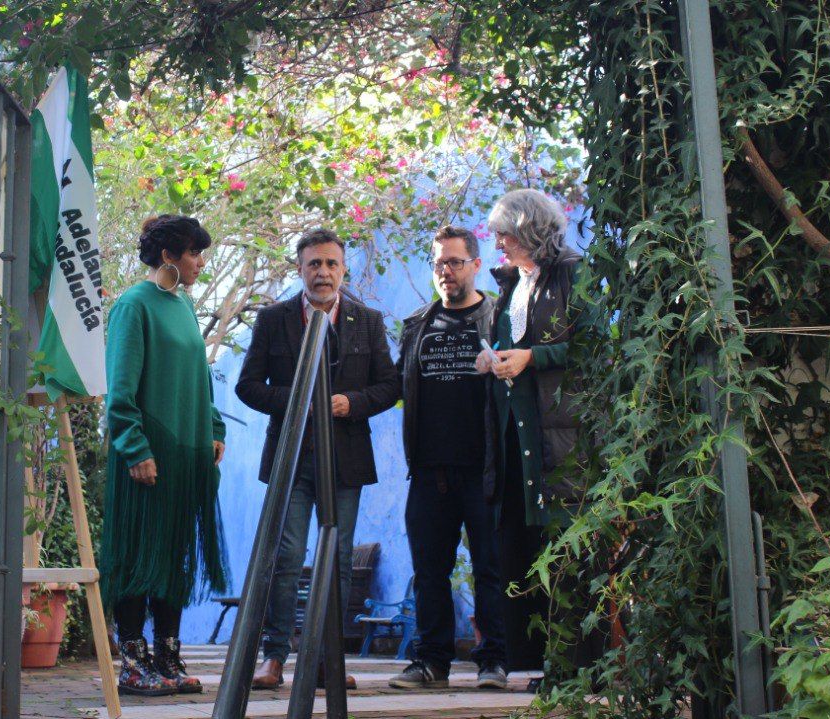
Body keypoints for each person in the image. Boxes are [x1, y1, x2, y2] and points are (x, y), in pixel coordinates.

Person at [236, 228, 400, 690]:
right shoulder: (274, 320)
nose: (323, 272)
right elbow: (247, 386)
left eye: (331, 264)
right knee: (285, 556)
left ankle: (330, 660)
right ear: (300, 269)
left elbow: (390, 385)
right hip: (291, 459)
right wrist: (297, 400)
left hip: (345, 460)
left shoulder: (367, 320)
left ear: (343, 269)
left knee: (340, 558)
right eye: (314, 264)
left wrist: (351, 402)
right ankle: (274, 656)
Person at [101, 214, 228, 696]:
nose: (200, 263)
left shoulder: (183, 306)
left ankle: (167, 658)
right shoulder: (134, 305)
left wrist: (212, 428)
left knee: (172, 559)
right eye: (194, 253)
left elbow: (199, 377)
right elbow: (120, 390)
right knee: (138, 557)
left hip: (186, 454)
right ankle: (133, 664)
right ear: (169, 255)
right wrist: (135, 448)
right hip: (147, 454)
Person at [475, 188, 597, 689]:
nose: (498, 241)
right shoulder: (509, 284)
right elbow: (512, 345)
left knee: (564, 554)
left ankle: (577, 669)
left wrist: (533, 357)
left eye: (506, 232)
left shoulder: (574, 274)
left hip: (558, 438)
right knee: (522, 551)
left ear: (531, 230)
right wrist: (495, 358)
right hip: (512, 435)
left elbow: (593, 346)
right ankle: (543, 665)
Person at [389, 226, 509, 691]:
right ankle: (431, 661)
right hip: (428, 470)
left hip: (484, 468)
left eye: (455, 262)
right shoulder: (417, 324)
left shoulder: (499, 318)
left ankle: (493, 661)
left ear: (475, 265)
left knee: (490, 568)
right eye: (439, 262)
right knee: (429, 571)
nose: (446, 271)